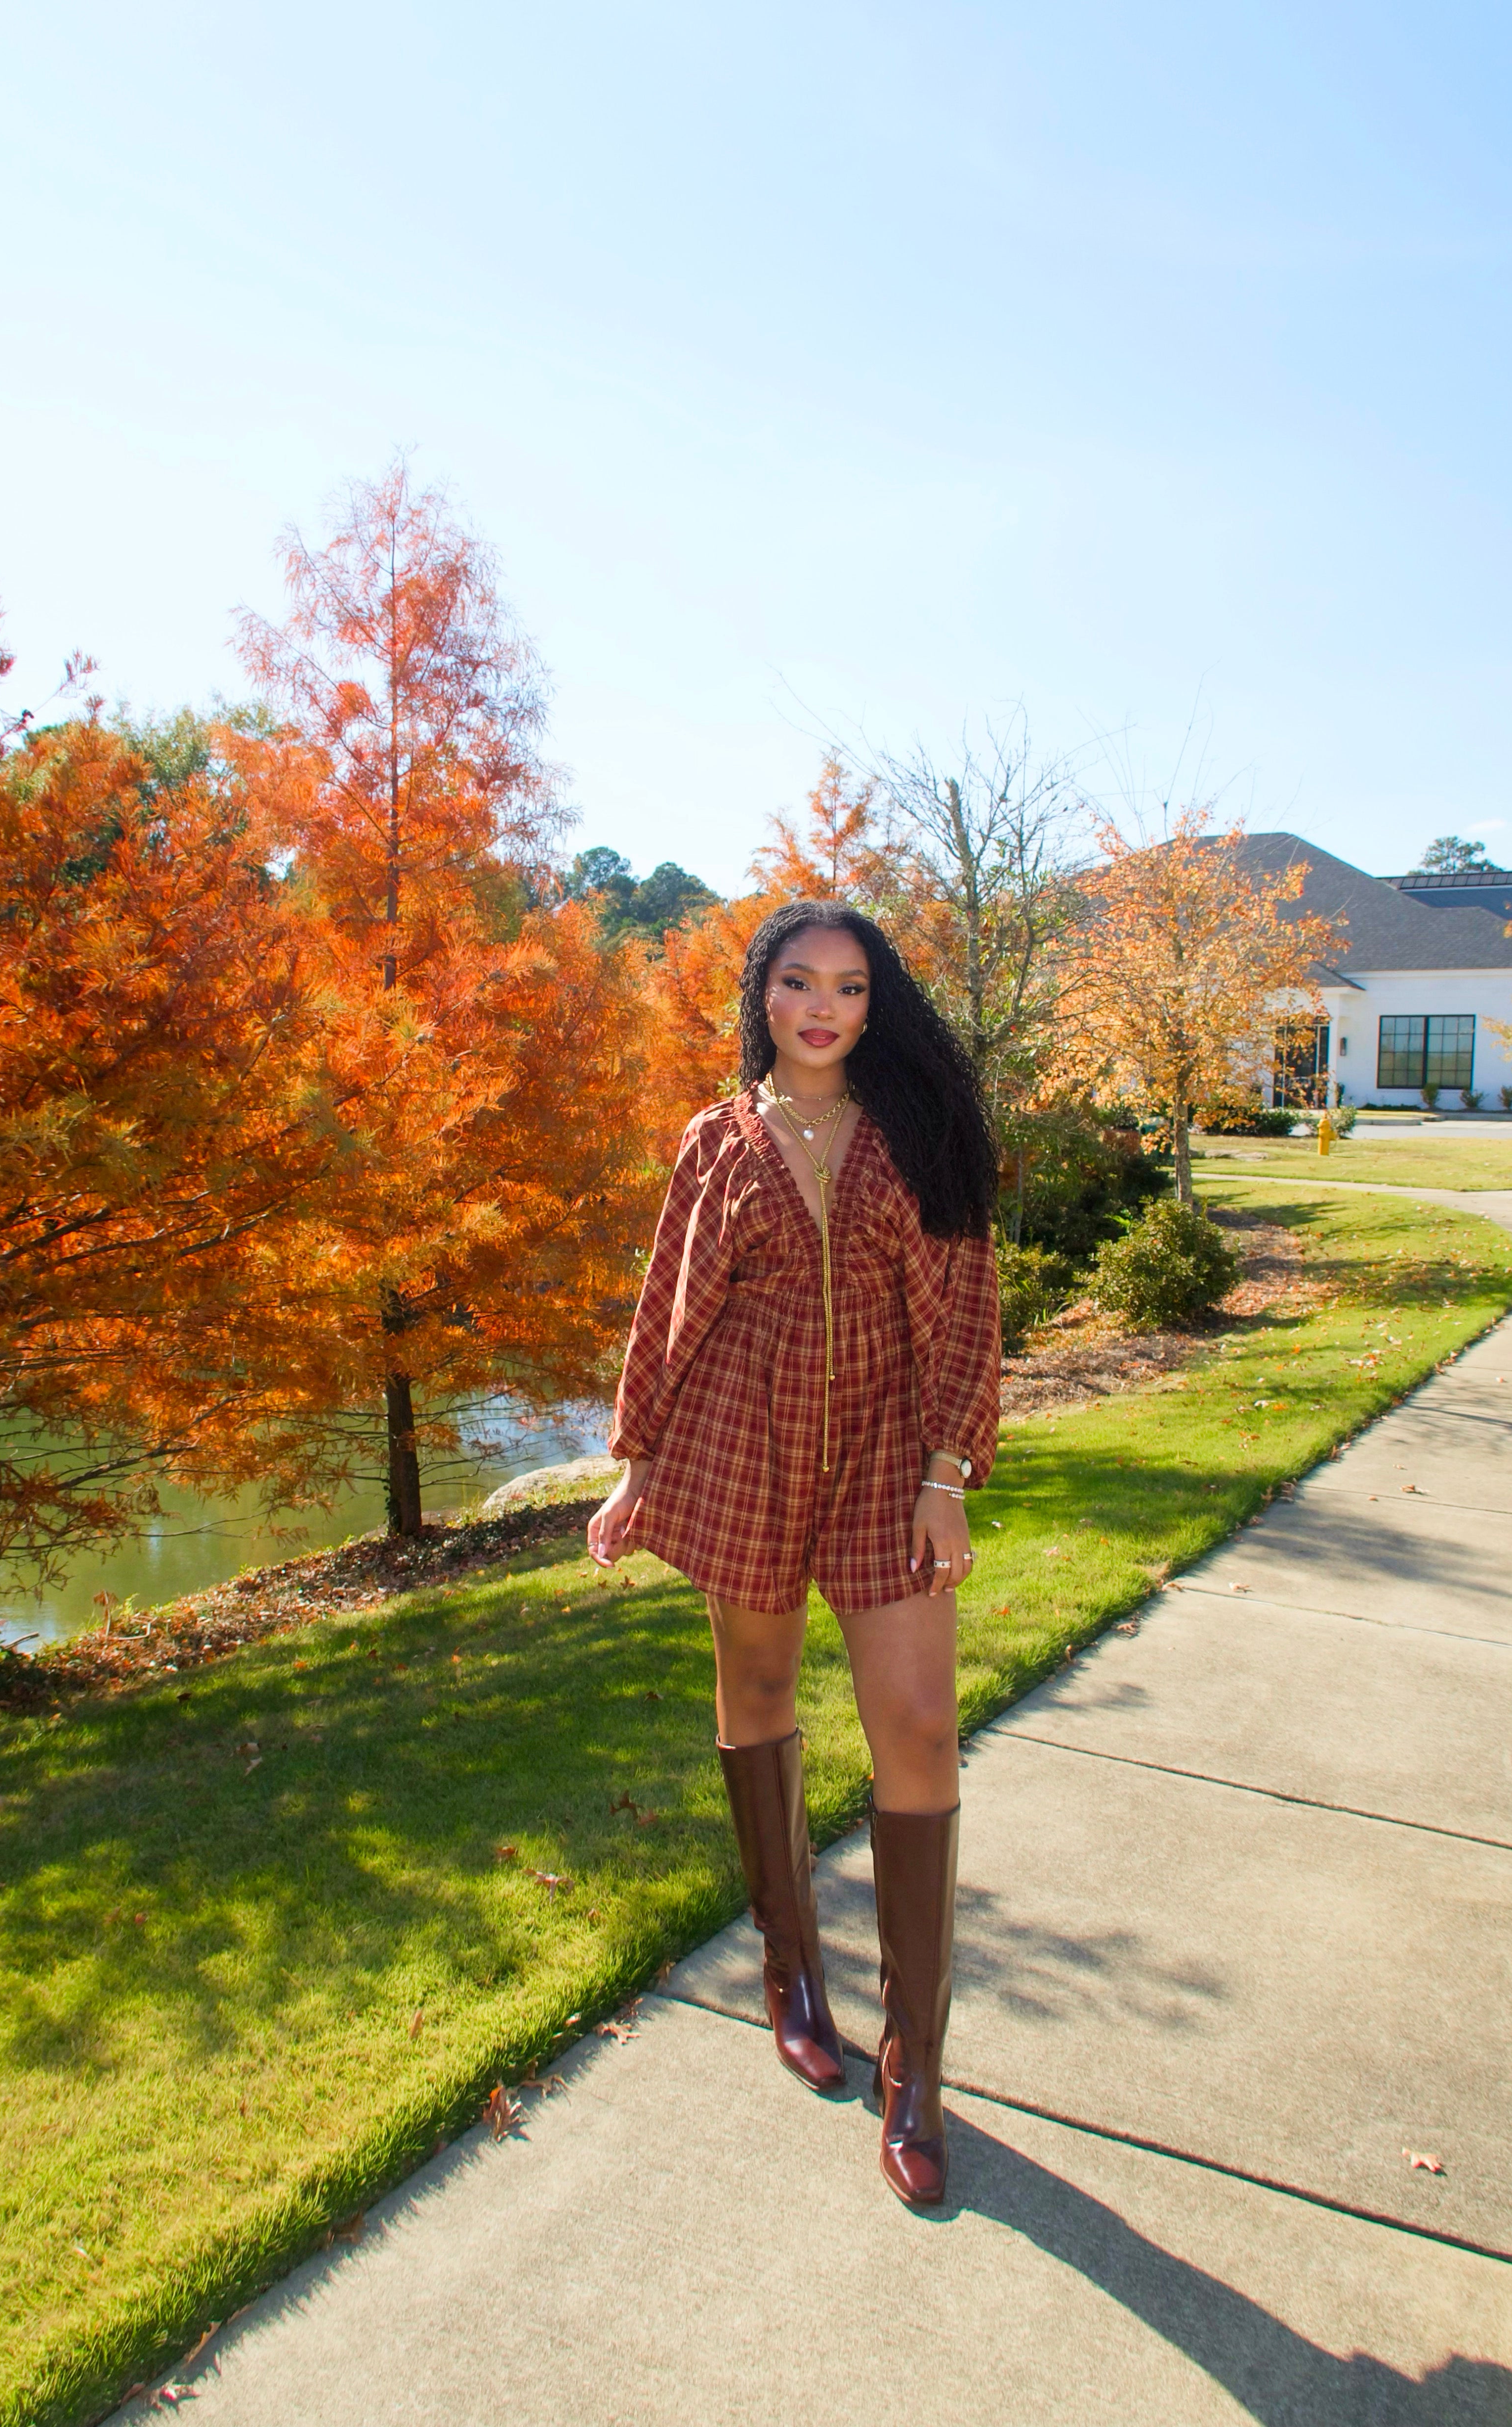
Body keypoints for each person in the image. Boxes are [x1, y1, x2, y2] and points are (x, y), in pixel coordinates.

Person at [587, 900, 1002, 2206]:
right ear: (762, 996)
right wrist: (637, 1464)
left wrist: (948, 1474)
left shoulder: (910, 1136)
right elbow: (670, 1307)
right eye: (799, 984)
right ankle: (792, 1974)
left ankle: (917, 2071)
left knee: (919, 1731)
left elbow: (964, 1309)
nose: (824, 1009)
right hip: (741, 1446)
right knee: (756, 1698)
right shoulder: (715, 1143)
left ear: (876, 1009)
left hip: (886, 1454)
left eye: (850, 989)